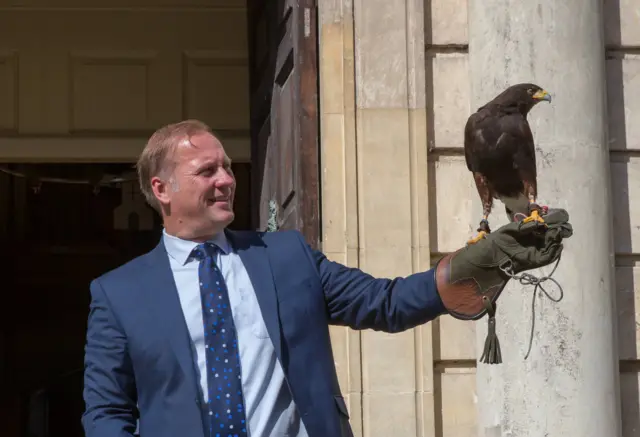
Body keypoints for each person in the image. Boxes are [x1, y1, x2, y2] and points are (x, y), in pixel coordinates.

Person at [81, 119, 573, 437]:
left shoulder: (286, 255)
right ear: (161, 189)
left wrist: (481, 262)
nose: (226, 179)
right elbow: (105, 413)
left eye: (227, 167)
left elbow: (384, 302)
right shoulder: (118, 293)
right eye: (207, 170)